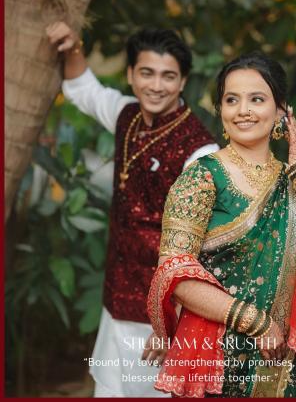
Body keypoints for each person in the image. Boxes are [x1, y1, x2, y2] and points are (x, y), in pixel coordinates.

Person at [147, 52, 296, 398]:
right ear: (220, 110)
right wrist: (256, 322)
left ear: (281, 111)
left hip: (284, 367)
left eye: (257, 99)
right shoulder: (201, 178)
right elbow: (175, 274)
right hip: (218, 362)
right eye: (231, 100)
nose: (243, 110)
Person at [46, 22, 219, 397]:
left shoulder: (201, 152)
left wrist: (169, 321)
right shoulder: (128, 116)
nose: (156, 85)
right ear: (130, 75)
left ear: (183, 81)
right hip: (116, 301)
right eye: (146, 73)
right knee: (109, 390)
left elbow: (204, 247)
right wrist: (73, 46)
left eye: (168, 76)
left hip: (161, 316)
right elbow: (84, 90)